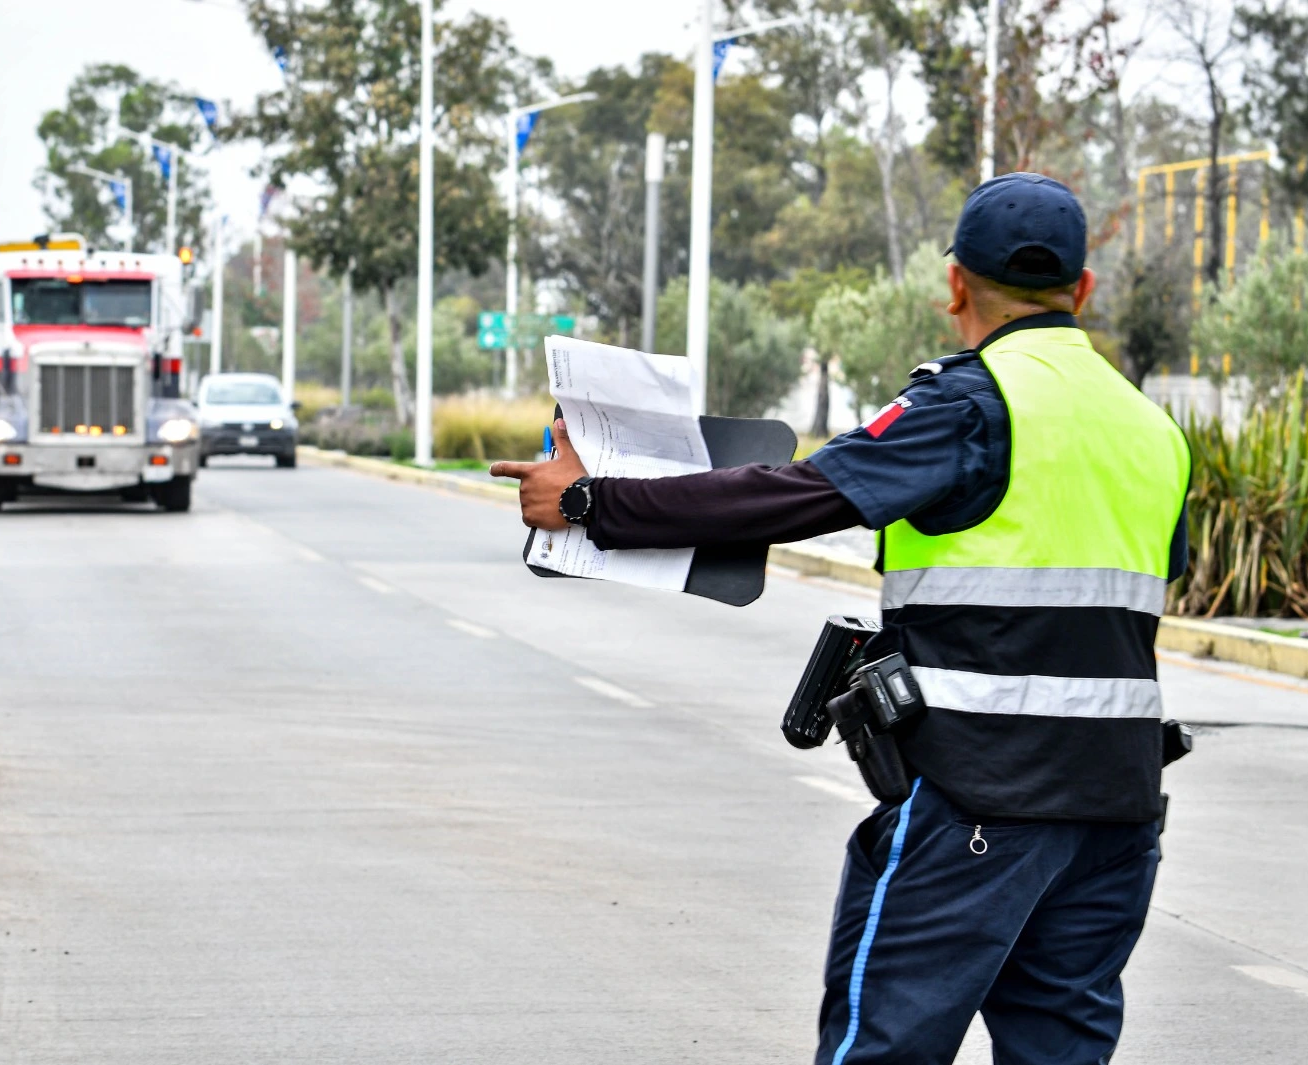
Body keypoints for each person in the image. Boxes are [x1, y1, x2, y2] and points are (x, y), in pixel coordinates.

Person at [491, 173, 1191, 1065]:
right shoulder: (1151, 429)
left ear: (956, 287)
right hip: (1119, 811)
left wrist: (593, 500)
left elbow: (800, 495)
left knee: (882, 1051)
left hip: (982, 800)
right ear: (1082, 289)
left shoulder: (970, 405)